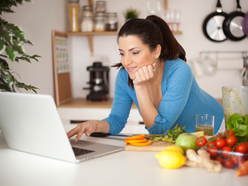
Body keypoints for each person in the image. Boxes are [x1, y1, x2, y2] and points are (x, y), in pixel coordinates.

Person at [67, 15, 224, 141]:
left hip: (212, 130)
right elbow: (116, 120)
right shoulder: (124, 76)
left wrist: (140, 87)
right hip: (178, 138)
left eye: (135, 52)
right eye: (122, 53)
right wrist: (94, 125)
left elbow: (158, 129)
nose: (126, 61)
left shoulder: (179, 71)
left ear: (156, 51)